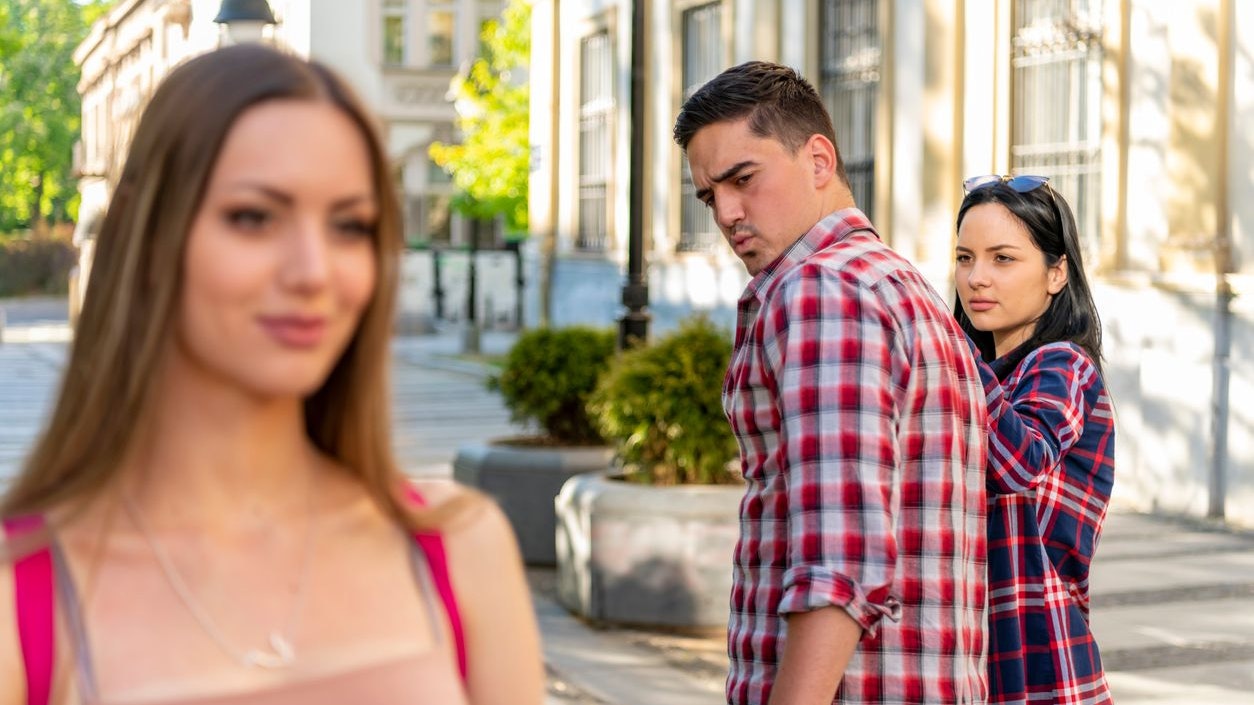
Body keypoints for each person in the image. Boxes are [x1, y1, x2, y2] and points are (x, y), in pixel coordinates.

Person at [0, 44, 542, 705]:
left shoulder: (460, 548)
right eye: (253, 217)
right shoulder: (20, 593)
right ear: (148, 239)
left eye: (350, 226)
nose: (313, 270)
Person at [674, 61, 989, 705]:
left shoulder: (824, 291)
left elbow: (837, 566)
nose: (728, 212)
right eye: (710, 196)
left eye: (744, 178)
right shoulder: (897, 282)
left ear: (819, 159)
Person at [953, 174, 1114, 704]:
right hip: (979, 651)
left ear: (1055, 273)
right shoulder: (987, 376)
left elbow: (1020, 463)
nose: (977, 278)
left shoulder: (1063, 365)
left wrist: (951, 353)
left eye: (1003, 259)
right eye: (965, 258)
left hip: (1041, 659)